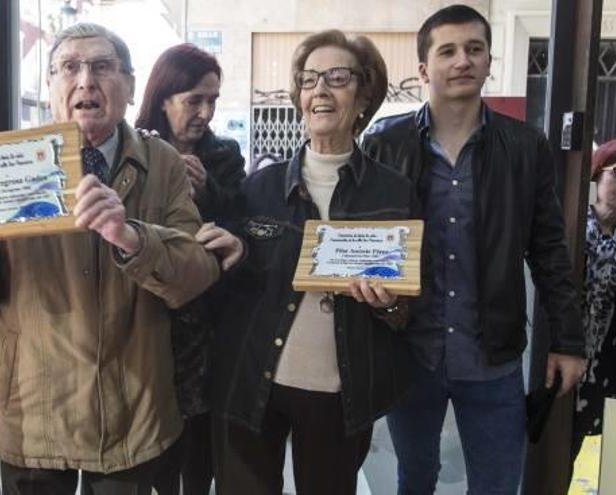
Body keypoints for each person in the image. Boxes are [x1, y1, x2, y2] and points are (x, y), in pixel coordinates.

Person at [0, 23, 237, 495]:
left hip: (133, 414)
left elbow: (195, 273)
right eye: (69, 67)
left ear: (129, 85)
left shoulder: (163, 162)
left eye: (102, 67)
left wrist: (131, 237)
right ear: (50, 88)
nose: (85, 80)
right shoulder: (4, 164)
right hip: (33, 414)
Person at [362, 5, 587, 494]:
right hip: (411, 352)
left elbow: (548, 249)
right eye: (447, 51)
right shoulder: (384, 143)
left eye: (474, 49)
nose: (462, 60)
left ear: (488, 61)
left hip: (493, 355)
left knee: (497, 483)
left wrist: (568, 342)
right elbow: (360, 242)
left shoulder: (525, 147)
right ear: (424, 69)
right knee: (414, 477)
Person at [209, 29, 419, 495]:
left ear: (363, 96)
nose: (320, 90)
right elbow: (230, 287)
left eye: (337, 77)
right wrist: (236, 257)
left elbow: (408, 311)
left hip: (339, 396)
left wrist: (385, 305)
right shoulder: (257, 188)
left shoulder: (394, 193)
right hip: (253, 387)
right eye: (308, 79)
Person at [134, 43, 245, 495]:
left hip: (203, 326)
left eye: (213, 101)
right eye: (194, 99)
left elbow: (239, 227)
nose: (204, 112)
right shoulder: (134, 151)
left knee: (199, 459)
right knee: (149, 458)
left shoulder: (224, 155)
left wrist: (205, 191)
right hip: (142, 321)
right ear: (164, 97)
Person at [574, 140, 616, 458]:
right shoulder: (573, 227)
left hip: (602, 361)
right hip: (562, 352)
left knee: (576, 444)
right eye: (615, 175)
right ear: (598, 177)